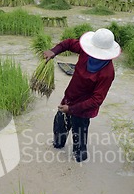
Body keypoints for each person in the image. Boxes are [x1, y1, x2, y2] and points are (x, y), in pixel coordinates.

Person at [43, 28, 121, 162]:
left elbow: (97, 100)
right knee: (58, 132)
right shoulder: (85, 51)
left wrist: (72, 110)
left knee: (79, 146)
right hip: (69, 99)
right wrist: (53, 51)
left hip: (83, 109)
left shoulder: (107, 73)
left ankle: (78, 165)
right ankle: (57, 152)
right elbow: (67, 43)